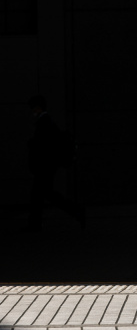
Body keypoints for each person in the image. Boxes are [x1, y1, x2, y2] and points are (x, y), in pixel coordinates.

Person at [26, 95, 84, 230]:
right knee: (44, 194)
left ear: (38, 108)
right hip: (47, 166)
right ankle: (75, 211)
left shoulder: (44, 122)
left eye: (33, 108)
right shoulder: (47, 121)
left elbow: (44, 146)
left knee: (41, 194)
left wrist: (32, 145)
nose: (32, 112)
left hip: (44, 166)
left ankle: (76, 211)